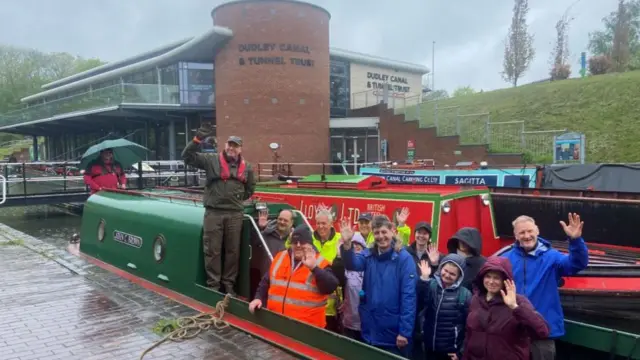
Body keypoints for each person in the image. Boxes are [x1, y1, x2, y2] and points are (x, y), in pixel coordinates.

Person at [501, 213, 588, 360]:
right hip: (513, 331)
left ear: (537, 231)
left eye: (530, 231)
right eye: (522, 232)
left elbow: (576, 264)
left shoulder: (552, 257)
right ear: (515, 236)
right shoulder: (505, 260)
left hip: (541, 332)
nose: (527, 236)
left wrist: (575, 240)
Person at [182, 130, 256, 296]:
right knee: (212, 250)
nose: (232, 148)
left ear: (240, 149)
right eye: (230, 145)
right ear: (225, 146)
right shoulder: (211, 160)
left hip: (235, 214)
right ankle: (213, 286)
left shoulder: (248, 167)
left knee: (233, 252)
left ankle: (229, 285)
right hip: (213, 212)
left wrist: (236, 200)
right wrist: (197, 140)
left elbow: (250, 189)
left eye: (235, 146)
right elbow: (187, 157)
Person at [340, 215, 417, 358]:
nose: (381, 237)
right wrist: (347, 244)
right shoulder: (369, 255)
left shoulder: (404, 259)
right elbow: (352, 264)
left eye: (384, 232)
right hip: (370, 330)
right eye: (376, 233)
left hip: (393, 336)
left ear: (392, 231)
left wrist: (405, 332)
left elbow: (409, 297)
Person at [248, 225, 339, 328]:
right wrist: (258, 298)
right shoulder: (280, 257)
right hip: (276, 324)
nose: (298, 245)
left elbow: (331, 286)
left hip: (307, 330)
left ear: (310, 244)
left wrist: (314, 268)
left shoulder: (320, 262)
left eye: (302, 242)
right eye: (295, 242)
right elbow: (265, 281)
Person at [463, 256, 550, 360]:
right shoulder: (475, 300)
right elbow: (469, 336)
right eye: (488, 276)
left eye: (496, 278)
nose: (491, 281)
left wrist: (515, 307)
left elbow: (542, 331)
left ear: (506, 280)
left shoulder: (518, 301)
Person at [417, 254, 471, 360]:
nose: (447, 275)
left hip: (450, 353)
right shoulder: (431, 285)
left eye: (452, 274)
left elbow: (470, 328)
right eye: (445, 270)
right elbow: (420, 302)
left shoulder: (465, 295)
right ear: (440, 268)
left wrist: (461, 352)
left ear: (459, 277)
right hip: (429, 348)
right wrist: (424, 279)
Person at [339, 232, 366, 342]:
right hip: (349, 321)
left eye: (358, 244)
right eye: (352, 244)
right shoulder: (347, 267)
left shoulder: (369, 264)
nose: (355, 247)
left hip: (365, 322)